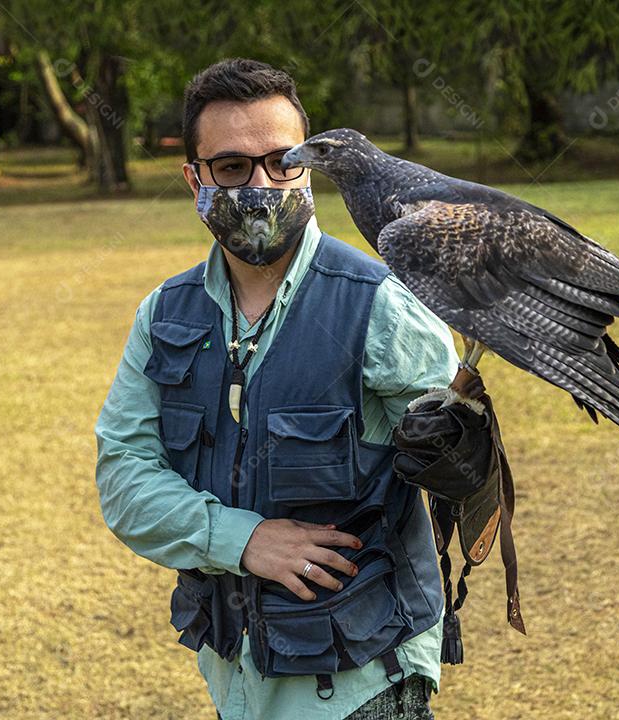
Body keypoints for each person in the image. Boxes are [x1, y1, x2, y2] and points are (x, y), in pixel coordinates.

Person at [94, 58, 464, 720]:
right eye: (233, 168)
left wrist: (463, 449)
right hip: (235, 676)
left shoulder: (381, 306)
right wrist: (242, 539)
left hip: (362, 683)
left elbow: (467, 475)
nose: (262, 185)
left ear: (308, 169)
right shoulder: (165, 313)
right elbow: (124, 478)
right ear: (194, 179)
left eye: (282, 162)